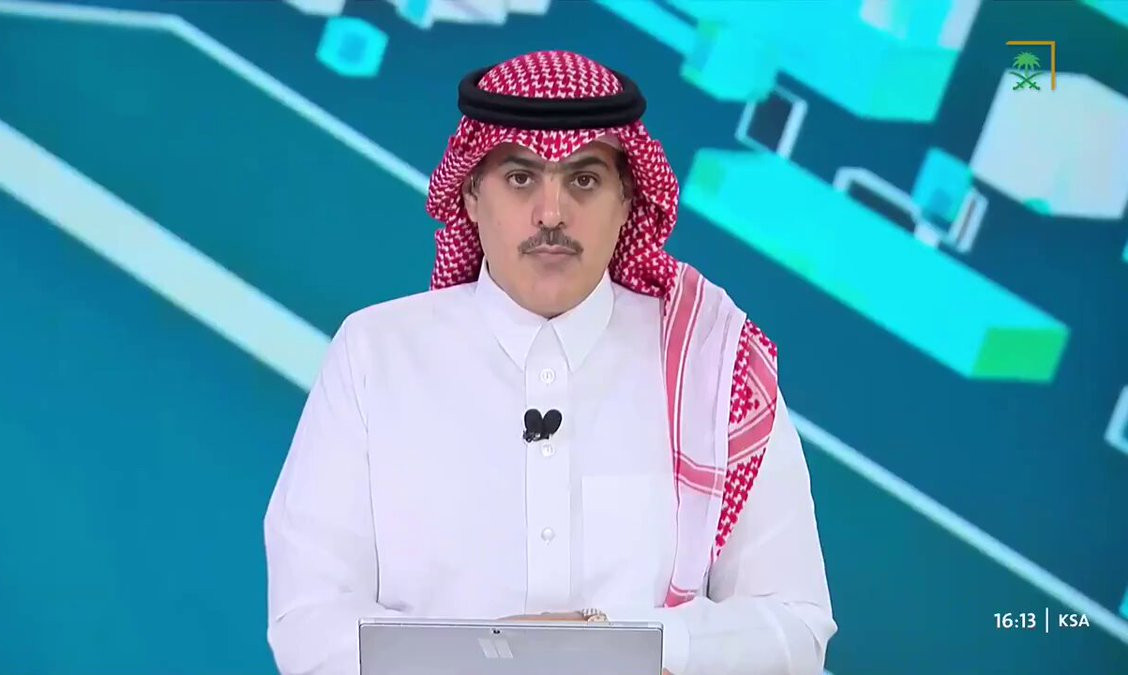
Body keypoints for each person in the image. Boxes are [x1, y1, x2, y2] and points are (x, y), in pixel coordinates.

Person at [263, 51, 836, 675]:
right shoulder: (375, 353)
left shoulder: (712, 366)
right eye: (520, 178)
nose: (552, 213)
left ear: (627, 201)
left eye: (584, 180)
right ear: (471, 195)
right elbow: (308, 623)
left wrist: (615, 643)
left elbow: (795, 628)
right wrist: (496, 657)